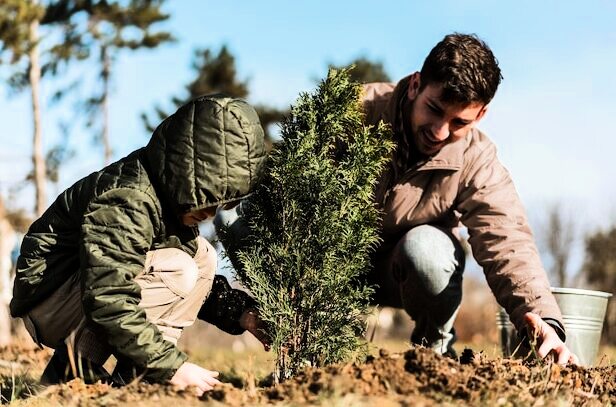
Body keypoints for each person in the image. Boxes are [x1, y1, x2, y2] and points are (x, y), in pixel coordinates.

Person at [10, 94, 269, 394]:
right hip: (48, 296)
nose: (211, 213)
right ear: (187, 171)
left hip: (82, 290)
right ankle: (70, 372)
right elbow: (108, 294)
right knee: (180, 269)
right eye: (209, 198)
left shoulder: (167, 201)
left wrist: (241, 313)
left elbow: (199, 286)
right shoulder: (129, 198)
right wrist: (173, 366)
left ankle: (134, 380)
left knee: (202, 259)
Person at [361, 33, 577, 364]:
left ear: (480, 115)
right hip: (335, 269)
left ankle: (434, 354)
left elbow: (507, 237)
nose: (440, 132)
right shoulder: (354, 114)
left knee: (428, 250)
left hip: (403, 273)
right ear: (417, 85)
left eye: (459, 121)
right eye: (434, 110)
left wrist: (543, 318)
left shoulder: (476, 159)